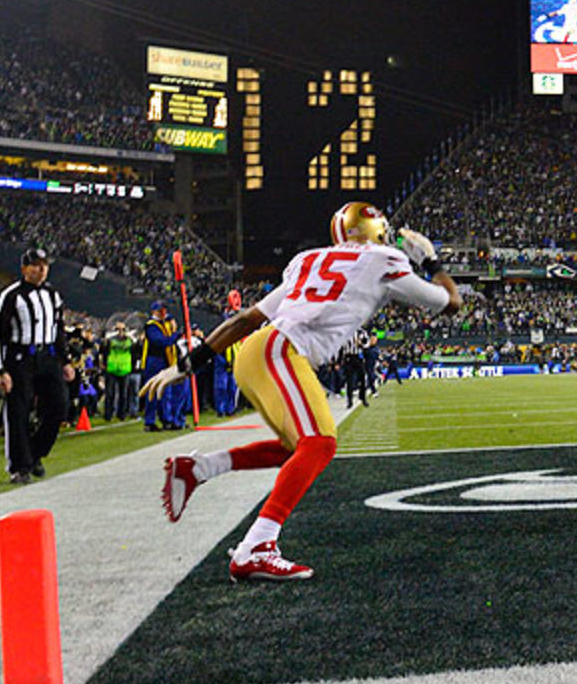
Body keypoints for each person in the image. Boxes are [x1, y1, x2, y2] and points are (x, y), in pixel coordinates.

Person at [142, 203, 460, 582]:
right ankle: (256, 547)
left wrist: (188, 364)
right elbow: (451, 303)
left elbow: (246, 319)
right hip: (281, 350)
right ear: (376, 229)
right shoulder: (385, 258)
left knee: (301, 448)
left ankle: (198, 468)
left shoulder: (308, 260)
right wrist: (432, 262)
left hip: (256, 351)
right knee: (320, 444)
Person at [0, 248, 74, 483]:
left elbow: (58, 329)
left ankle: (35, 452)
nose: (41, 269)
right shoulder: (11, 295)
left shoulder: (52, 295)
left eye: (44, 265)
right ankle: (19, 466)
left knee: (59, 407)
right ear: (24, 268)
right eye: (36, 265)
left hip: (48, 357)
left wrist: (65, 360)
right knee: (18, 412)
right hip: (20, 359)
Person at [141, 301, 182, 431]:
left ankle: (167, 419)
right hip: (154, 361)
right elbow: (161, 341)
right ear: (154, 312)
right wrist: (176, 335)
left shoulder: (165, 324)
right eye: (160, 311)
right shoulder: (151, 326)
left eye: (164, 310)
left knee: (166, 392)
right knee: (152, 391)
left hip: (165, 360)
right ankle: (150, 421)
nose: (163, 313)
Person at [102, 321, 137, 420]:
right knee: (110, 394)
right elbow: (104, 351)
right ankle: (108, 414)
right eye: (118, 329)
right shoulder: (110, 340)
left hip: (124, 369)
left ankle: (121, 414)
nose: (120, 331)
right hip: (112, 368)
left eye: (122, 329)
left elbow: (137, 350)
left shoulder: (130, 341)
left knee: (124, 394)